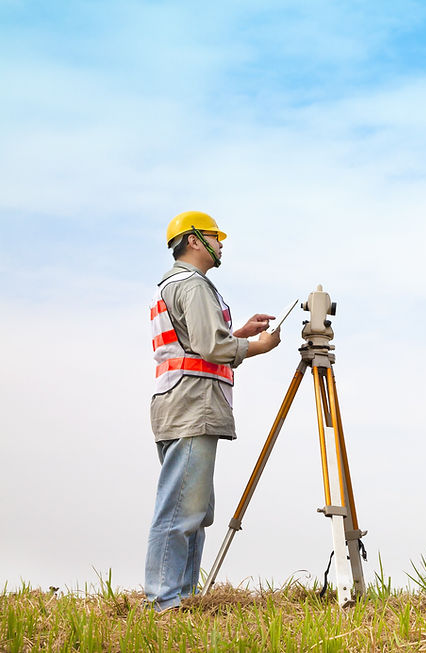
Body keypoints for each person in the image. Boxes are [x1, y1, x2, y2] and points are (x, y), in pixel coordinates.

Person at [145, 210, 281, 612]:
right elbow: (212, 349)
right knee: (181, 508)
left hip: (178, 401)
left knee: (194, 506)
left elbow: (198, 343)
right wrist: (258, 347)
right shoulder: (194, 286)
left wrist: (238, 335)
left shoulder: (173, 286)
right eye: (214, 237)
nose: (221, 245)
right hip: (191, 404)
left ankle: (180, 597)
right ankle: (164, 601)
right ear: (193, 241)